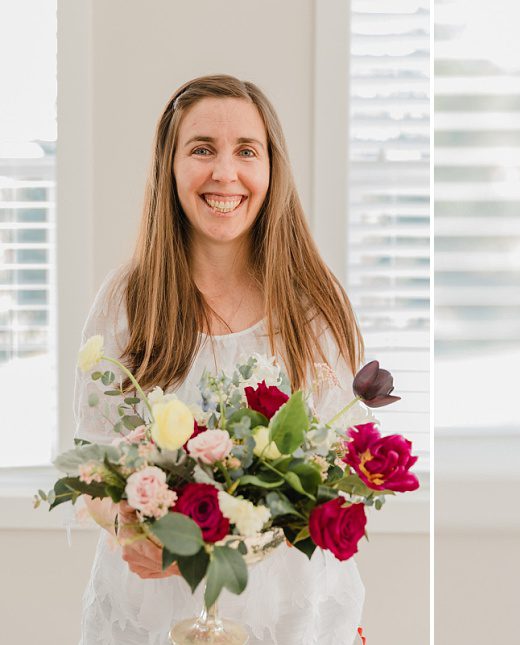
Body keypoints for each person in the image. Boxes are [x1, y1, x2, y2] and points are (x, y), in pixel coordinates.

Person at [76, 75, 365, 645]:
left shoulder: (314, 305)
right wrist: (129, 530)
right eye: (202, 149)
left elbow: (345, 470)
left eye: (246, 152)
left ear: (271, 169)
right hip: (151, 614)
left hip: (293, 615)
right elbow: (91, 466)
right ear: (171, 166)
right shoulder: (126, 302)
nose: (225, 173)